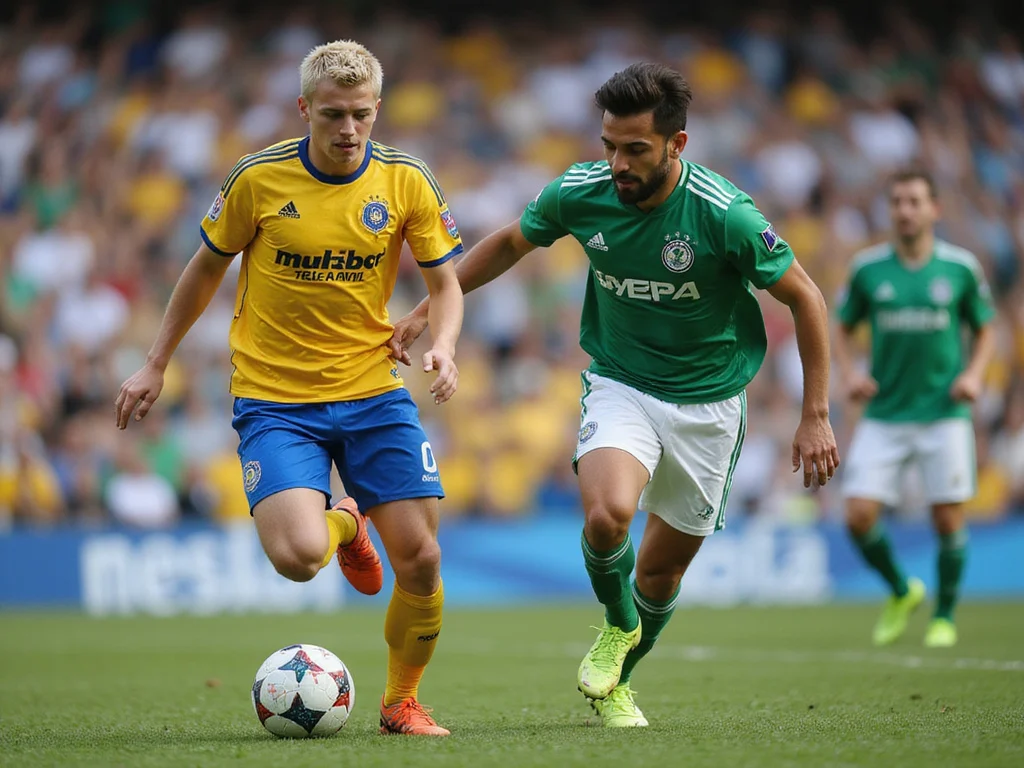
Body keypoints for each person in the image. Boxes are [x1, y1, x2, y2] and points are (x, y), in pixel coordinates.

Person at [389, 62, 839, 727]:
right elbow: (513, 243)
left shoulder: (726, 215)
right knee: (606, 517)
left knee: (660, 576)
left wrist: (816, 415)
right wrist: (434, 304)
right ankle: (616, 624)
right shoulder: (582, 191)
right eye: (608, 145)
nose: (617, 163)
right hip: (621, 382)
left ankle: (620, 680)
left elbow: (807, 297)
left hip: (710, 403)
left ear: (676, 145)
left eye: (635, 150)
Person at [115, 40, 464, 736]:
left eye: (361, 115)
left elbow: (446, 284)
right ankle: (346, 524)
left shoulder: (406, 180)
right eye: (333, 114)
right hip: (276, 401)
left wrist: (445, 346)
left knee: (422, 559)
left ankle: (400, 702)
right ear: (304, 107)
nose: (348, 130)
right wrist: (156, 361)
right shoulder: (258, 179)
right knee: (300, 558)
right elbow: (205, 270)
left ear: (377, 110)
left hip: (372, 391)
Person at [833, 168, 995, 649]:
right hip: (885, 413)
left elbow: (985, 327)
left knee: (947, 519)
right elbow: (840, 326)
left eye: (915, 202)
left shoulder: (960, 268)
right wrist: (850, 373)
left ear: (933, 210)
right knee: (858, 515)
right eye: (898, 202)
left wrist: (974, 375)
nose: (905, 210)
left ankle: (943, 616)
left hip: (944, 413)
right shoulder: (867, 270)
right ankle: (903, 591)